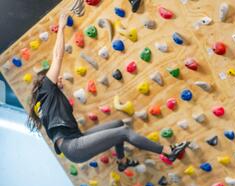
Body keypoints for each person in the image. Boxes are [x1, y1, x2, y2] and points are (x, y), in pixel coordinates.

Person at [27, 12, 190, 172]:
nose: (60, 77)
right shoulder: (47, 88)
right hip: (73, 146)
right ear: (46, 79)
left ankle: (122, 161)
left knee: (118, 124)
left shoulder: (44, 100)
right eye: (57, 77)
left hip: (76, 139)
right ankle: (168, 151)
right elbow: (57, 56)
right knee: (124, 132)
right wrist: (61, 27)